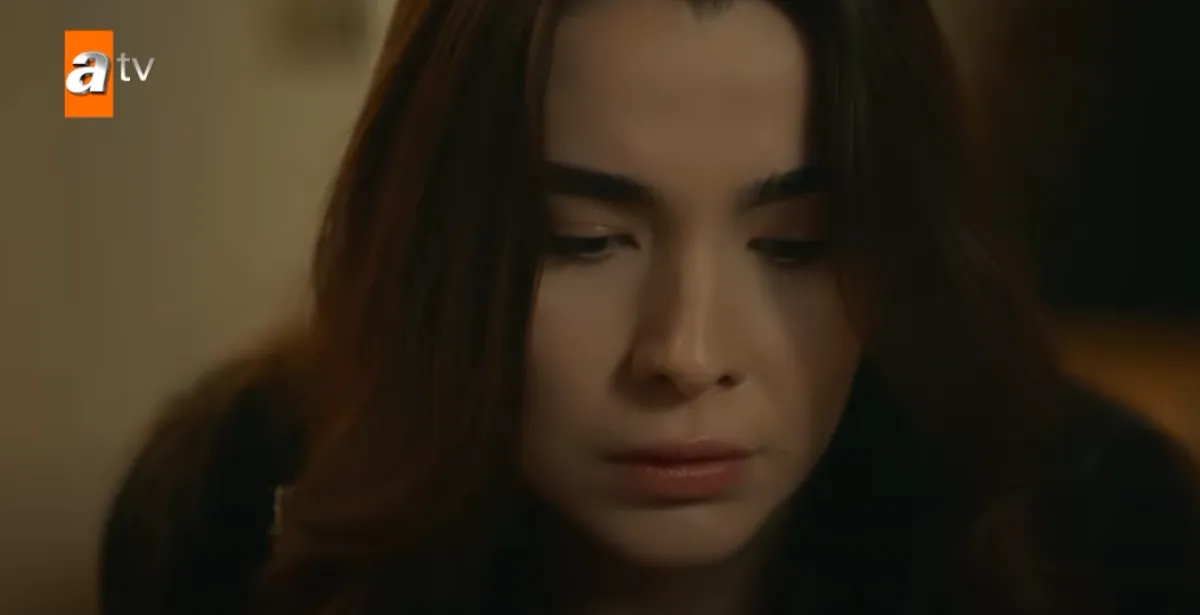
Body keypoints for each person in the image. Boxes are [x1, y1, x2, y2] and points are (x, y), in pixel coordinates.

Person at [99, 1, 1200, 614]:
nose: (685, 351)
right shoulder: (233, 515)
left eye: (795, 245)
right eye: (581, 240)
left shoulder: (1096, 532)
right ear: (437, 245)